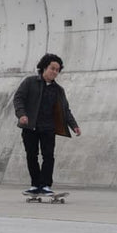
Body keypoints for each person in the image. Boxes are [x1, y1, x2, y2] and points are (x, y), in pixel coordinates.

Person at [13, 53, 81, 196]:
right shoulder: (30, 82)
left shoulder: (58, 90)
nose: (55, 72)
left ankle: (45, 186)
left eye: (57, 70)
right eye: (52, 68)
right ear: (44, 67)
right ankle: (35, 185)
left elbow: (65, 110)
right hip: (30, 126)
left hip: (48, 128)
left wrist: (74, 125)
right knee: (31, 155)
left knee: (48, 156)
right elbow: (18, 99)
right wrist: (22, 115)